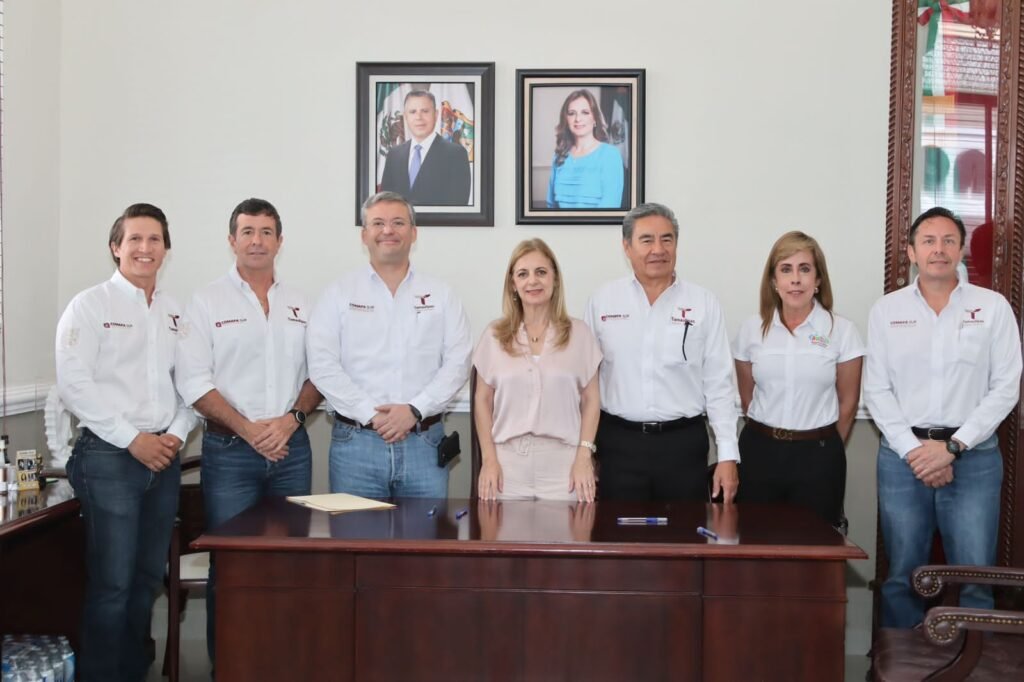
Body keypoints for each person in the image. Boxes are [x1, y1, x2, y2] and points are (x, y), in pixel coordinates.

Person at [174, 198, 323, 662]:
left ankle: (282, 663)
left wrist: (291, 421)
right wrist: (246, 429)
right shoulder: (206, 301)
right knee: (232, 564)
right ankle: (230, 666)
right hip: (229, 454)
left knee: (290, 562)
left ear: (280, 241)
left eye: (266, 232)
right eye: (247, 232)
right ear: (232, 240)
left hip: (291, 451)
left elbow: (320, 373)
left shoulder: (302, 303)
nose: (257, 241)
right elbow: (193, 382)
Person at [56, 203, 195, 681]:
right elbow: (74, 385)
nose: (144, 248)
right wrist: (133, 439)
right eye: (134, 239)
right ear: (116, 248)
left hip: (164, 458)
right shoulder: (90, 306)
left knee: (145, 580)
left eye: (154, 239)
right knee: (112, 584)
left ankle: (134, 672)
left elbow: (191, 384)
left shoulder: (176, 312)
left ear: (166, 250)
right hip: (109, 457)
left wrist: (175, 434)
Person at [864, 206, 1022, 628]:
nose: (939, 249)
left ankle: (975, 660)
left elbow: (1006, 387)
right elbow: (876, 390)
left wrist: (952, 447)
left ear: (962, 249)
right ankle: (901, 660)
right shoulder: (886, 310)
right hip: (904, 459)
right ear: (911, 252)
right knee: (903, 575)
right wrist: (916, 452)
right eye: (929, 241)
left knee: (975, 577)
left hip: (974, 458)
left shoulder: (992, 308)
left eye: (949, 240)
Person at [307, 191, 471, 498]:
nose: (388, 230)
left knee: (424, 530)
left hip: (424, 443)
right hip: (356, 445)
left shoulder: (442, 294)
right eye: (378, 223)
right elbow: (322, 365)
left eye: (398, 222)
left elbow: (458, 363)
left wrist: (415, 410)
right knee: (356, 531)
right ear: (364, 235)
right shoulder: (338, 294)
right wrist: (371, 415)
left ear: (414, 232)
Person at [584, 202, 739, 502]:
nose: (658, 249)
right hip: (619, 445)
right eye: (647, 240)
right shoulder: (602, 301)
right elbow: (587, 385)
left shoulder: (703, 303)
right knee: (618, 529)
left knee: (684, 530)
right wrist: (585, 451)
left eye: (667, 239)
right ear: (627, 247)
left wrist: (728, 455)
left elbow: (719, 385)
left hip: (683, 446)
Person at [733, 231, 864, 527]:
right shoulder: (751, 330)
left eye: (804, 269)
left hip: (818, 456)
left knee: (816, 543)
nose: (795, 279)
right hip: (760, 452)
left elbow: (848, 403)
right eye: (786, 269)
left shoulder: (842, 331)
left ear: (818, 280)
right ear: (773, 281)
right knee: (757, 539)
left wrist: (824, 446)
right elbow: (747, 397)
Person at [474, 239, 602, 502]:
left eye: (541, 272)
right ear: (513, 284)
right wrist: (488, 460)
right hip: (506, 467)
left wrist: (584, 456)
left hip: (565, 468)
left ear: (555, 279)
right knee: (500, 530)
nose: (532, 281)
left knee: (570, 530)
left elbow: (591, 401)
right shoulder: (494, 335)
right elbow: (482, 401)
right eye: (523, 274)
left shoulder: (579, 334)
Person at [380, 90, 472, 206]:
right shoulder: (394, 154)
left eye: (425, 111)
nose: (419, 117)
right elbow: (386, 202)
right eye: (412, 112)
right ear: (405, 116)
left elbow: (457, 204)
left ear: (436, 115)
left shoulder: (456, 154)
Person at [546, 89, 624, 209]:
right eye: (572, 113)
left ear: (595, 118)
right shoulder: (559, 156)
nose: (578, 119)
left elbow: (610, 204)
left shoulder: (610, 155)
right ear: (566, 119)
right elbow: (551, 206)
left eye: (585, 112)